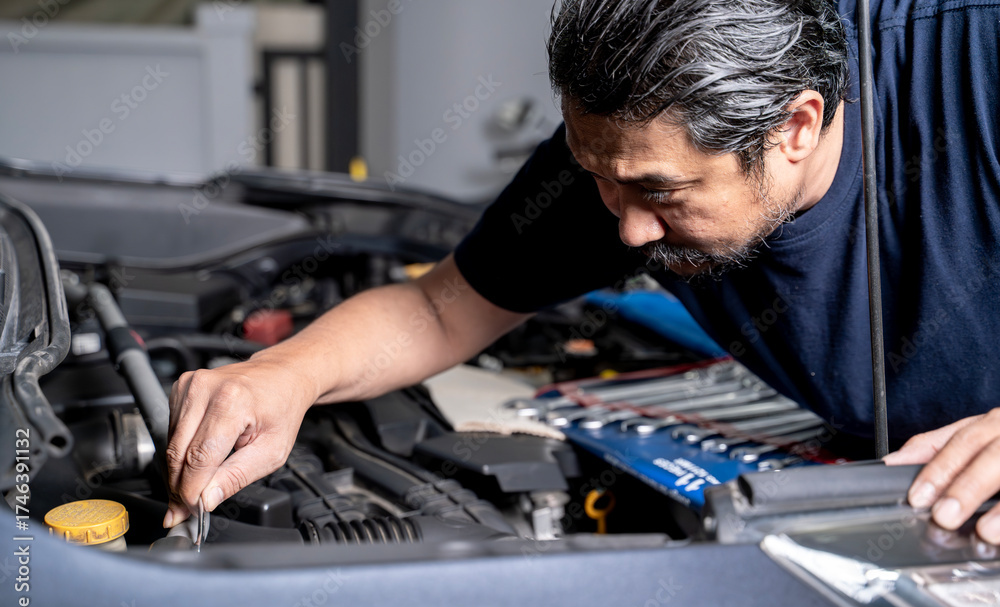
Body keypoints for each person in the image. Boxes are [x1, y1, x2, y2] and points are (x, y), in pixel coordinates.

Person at [164, 0, 1000, 542]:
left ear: (797, 126)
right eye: (599, 175)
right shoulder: (623, 155)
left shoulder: (977, 67)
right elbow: (442, 308)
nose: (628, 228)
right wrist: (284, 374)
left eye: (661, 193)